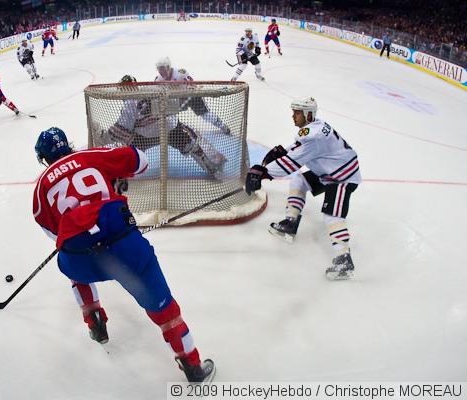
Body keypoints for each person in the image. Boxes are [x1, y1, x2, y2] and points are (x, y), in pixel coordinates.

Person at [32, 127, 216, 383]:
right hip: (124, 249)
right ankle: (192, 365)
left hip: (79, 259)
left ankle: (94, 320)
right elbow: (141, 160)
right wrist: (114, 177)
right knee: (165, 309)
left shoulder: (41, 184)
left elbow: (53, 233)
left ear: (43, 158)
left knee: (72, 262)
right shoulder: (91, 155)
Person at [245, 97, 361, 280]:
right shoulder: (315, 126)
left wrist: (264, 173)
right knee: (300, 180)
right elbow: (297, 150)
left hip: (342, 177)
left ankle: (344, 260)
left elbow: (292, 163)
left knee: (332, 215)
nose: (293, 116)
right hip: (329, 170)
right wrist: (282, 151)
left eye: (297, 113)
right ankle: (291, 223)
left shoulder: (312, 136)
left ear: (308, 114)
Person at [101, 75, 226, 177]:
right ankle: (213, 165)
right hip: (170, 130)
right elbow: (174, 108)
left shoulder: (128, 104)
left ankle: (121, 172)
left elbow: (122, 129)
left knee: (128, 150)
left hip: (145, 137)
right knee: (192, 141)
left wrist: (107, 135)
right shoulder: (152, 91)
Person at [155, 56, 231, 135]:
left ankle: (222, 126)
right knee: (166, 114)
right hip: (178, 100)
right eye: (159, 68)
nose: (161, 71)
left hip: (192, 97)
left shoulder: (180, 73)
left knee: (205, 114)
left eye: (162, 68)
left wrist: (190, 88)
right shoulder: (158, 79)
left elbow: (192, 85)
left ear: (168, 67)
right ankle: (168, 133)